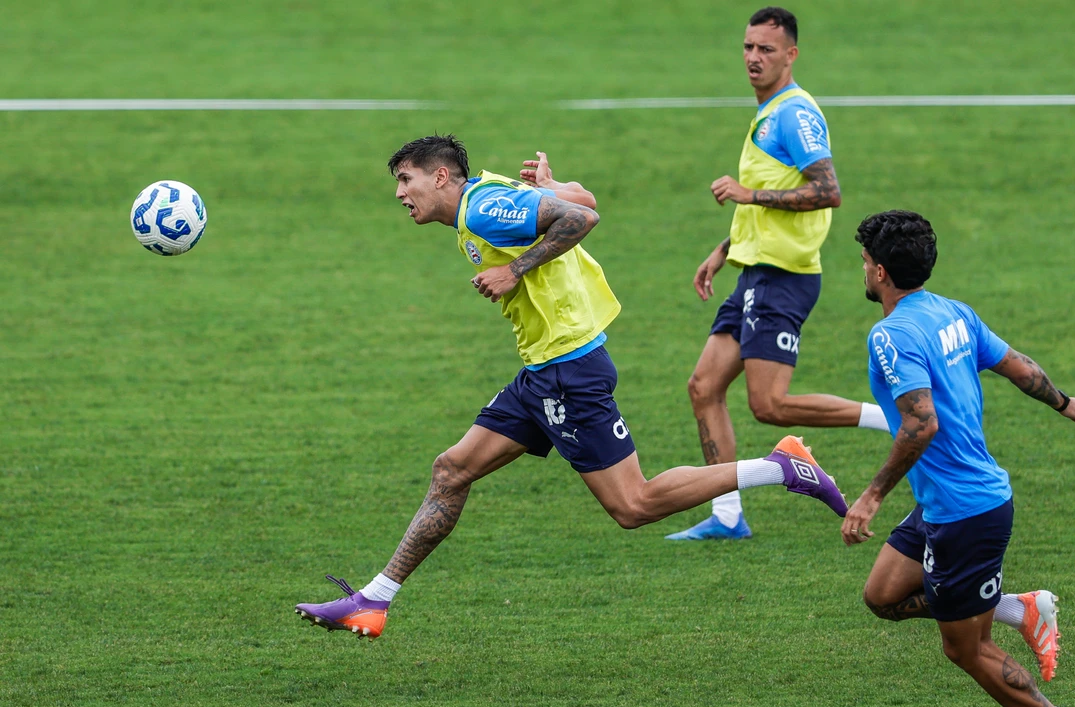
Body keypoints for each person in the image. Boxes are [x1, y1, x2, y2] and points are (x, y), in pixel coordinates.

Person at [295, 135, 848, 639]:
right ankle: (375, 601)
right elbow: (579, 201)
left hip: (569, 372)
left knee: (634, 504)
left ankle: (780, 467)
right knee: (452, 469)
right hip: (542, 371)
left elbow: (581, 221)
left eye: (406, 180)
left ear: (440, 178)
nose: (399, 193)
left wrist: (516, 269)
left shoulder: (484, 207)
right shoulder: (486, 196)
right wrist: (557, 188)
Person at [842, 209, 1075, 707]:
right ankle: (1019, 607)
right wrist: (1065, 402)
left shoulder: (892, 334)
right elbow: (1017, 366)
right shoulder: (952, 313)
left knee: (966, 648)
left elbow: (920, 424)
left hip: (967, 512)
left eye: (864, 262)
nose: (861, 269)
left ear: (881, 272)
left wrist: (869, 497)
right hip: (946, 501)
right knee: (884, 595)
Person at [669, 6, 889, 542]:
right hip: (755, 271)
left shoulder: (794, 114)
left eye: (766, 49)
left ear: (791, 55)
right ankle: (727, 517)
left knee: (769, 405)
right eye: (748, 47)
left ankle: (894, 419)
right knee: (703, 386)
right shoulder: (768, 112)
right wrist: (726, 247)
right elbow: (772, 195)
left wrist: (749, 195)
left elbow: (827, 190)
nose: (753, 57)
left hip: (783, 277)